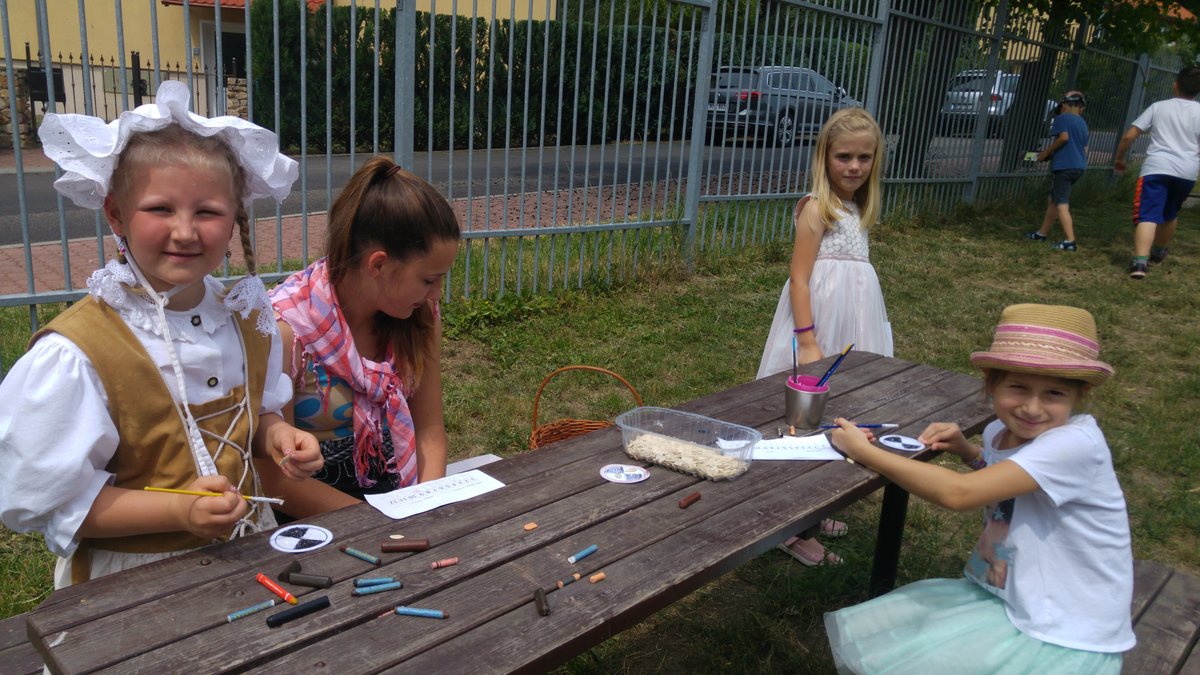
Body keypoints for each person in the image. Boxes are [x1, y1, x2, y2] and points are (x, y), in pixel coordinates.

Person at [0, 81, 323, 588]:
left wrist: (278, 436)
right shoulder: (81, 351)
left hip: (249, 556)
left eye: (207, 212)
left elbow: (253, 417)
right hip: (136, 583)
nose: (185, 231)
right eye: (160, 209)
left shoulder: (243, 317)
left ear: (234, 219)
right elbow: (57, 504)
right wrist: (178, 512)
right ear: (116, 213)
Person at [825, 303, 1134, 674]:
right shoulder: (999, 432)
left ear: (1078, 396)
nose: (1032, 407)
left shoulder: (1075, 444)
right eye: (1018, 388)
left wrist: (864, 452)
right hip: (1021, 597)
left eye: (1054, 393)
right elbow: (1006, 483)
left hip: (1066, 627)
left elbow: (960, 494)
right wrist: (969, 453)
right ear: (991, 384)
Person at [264, 156, 461, 518]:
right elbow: (276, 478)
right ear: (379, 264)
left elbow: (430, 429)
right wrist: (375, 523)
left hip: (399, 511)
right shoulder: (287, 332)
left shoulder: (419, 317)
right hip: (315, 521)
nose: (436, 294)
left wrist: (425, 505)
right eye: (428, 280)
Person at [757, 107, 893, 566]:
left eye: (864, 157)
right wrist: (807, 338)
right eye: (843, 157)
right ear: (824, 158)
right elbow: (799, 279)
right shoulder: (817, 208)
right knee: (804, 417)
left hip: (853, 322)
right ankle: (791, 524)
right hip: (818, 323)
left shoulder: (856, 208)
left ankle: (817, 506)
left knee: (839, 409)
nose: (854, 166)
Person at [1113, 65, 1200, 279]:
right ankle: (1159, 252)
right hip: (1186, 173)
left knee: (1148, 215)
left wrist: (1120, 158)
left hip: (1156, 169)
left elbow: (1129, 136)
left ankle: (1139, 263)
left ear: (1175, 86)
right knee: (1170, 214)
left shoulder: (1158, 107)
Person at [1025, 91, 1088, 251]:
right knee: (1053, 200)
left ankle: (1070, 241)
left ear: (1065, 105)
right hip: (1078, 167)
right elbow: (1083, 148)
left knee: (1061, 203)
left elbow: (1064, 138)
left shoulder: (1062, 118)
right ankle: (1041, 234)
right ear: (1081, 107)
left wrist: (1046, 153)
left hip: (1064, 168)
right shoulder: (1083, 123)